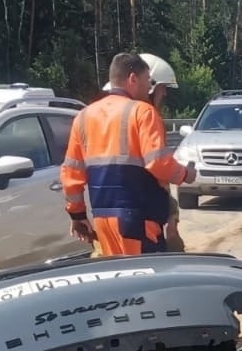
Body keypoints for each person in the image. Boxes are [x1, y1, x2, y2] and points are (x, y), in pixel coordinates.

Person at [63, 52, 186, 254]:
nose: (155, 91)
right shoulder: (143, 113)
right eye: (150, 82)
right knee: (145, 280)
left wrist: (77, 215)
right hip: (138, 221)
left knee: (116, 279)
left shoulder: (83, 117)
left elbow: (71, 173)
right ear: (133, 79)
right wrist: (185, 174)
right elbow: (159, 165)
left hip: (103, 220)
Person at [137, 53, 184, 252]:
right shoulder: (147, 117)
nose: (164, 94)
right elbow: (158, 165)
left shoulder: (98, 115)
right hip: (145, 217)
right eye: (163, 88)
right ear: (150, 86)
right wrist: (184, 174)